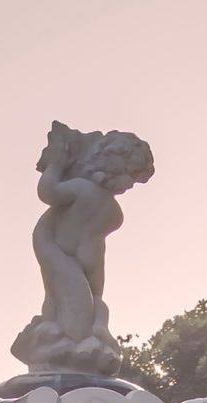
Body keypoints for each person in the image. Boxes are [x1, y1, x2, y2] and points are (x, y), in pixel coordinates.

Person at [11, 122, 155, 376]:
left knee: (66, 296)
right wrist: (56, 162)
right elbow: (49, 194)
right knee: (75, 298)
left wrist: (56, 165)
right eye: (129, 176)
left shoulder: (92, 196)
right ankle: (72, 331)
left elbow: (50, 192)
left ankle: (69, 334)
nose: (130, 185)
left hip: (67, 252)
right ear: (110, 162)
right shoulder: (104, 204)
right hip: (66, 251)